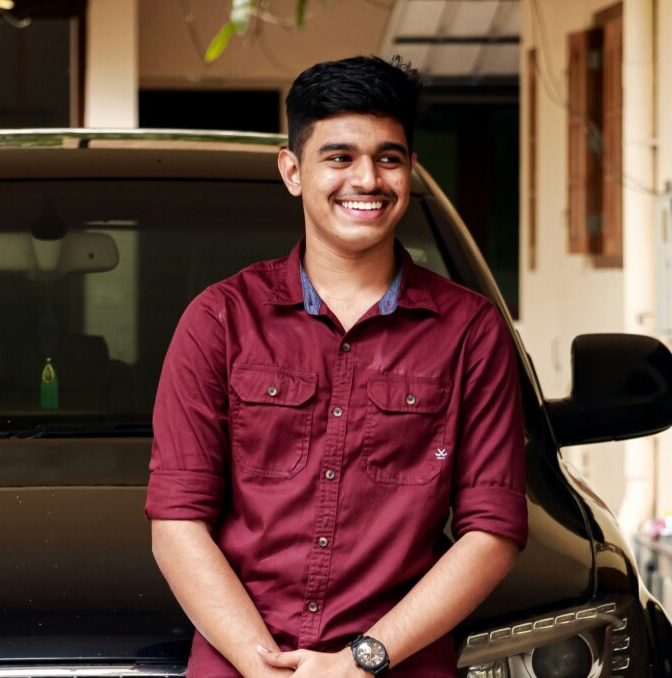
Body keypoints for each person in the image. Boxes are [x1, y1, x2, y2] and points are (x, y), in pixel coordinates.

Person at [145, 55, 527, 677]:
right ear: (293, 170)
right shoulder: (219, 320)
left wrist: (362, 661)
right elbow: (178, 521)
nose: (367, 179)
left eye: (389, 158)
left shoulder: (470, 331)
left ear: (410, 171)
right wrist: (262, 664)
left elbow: (494, 530)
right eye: (340, 157)